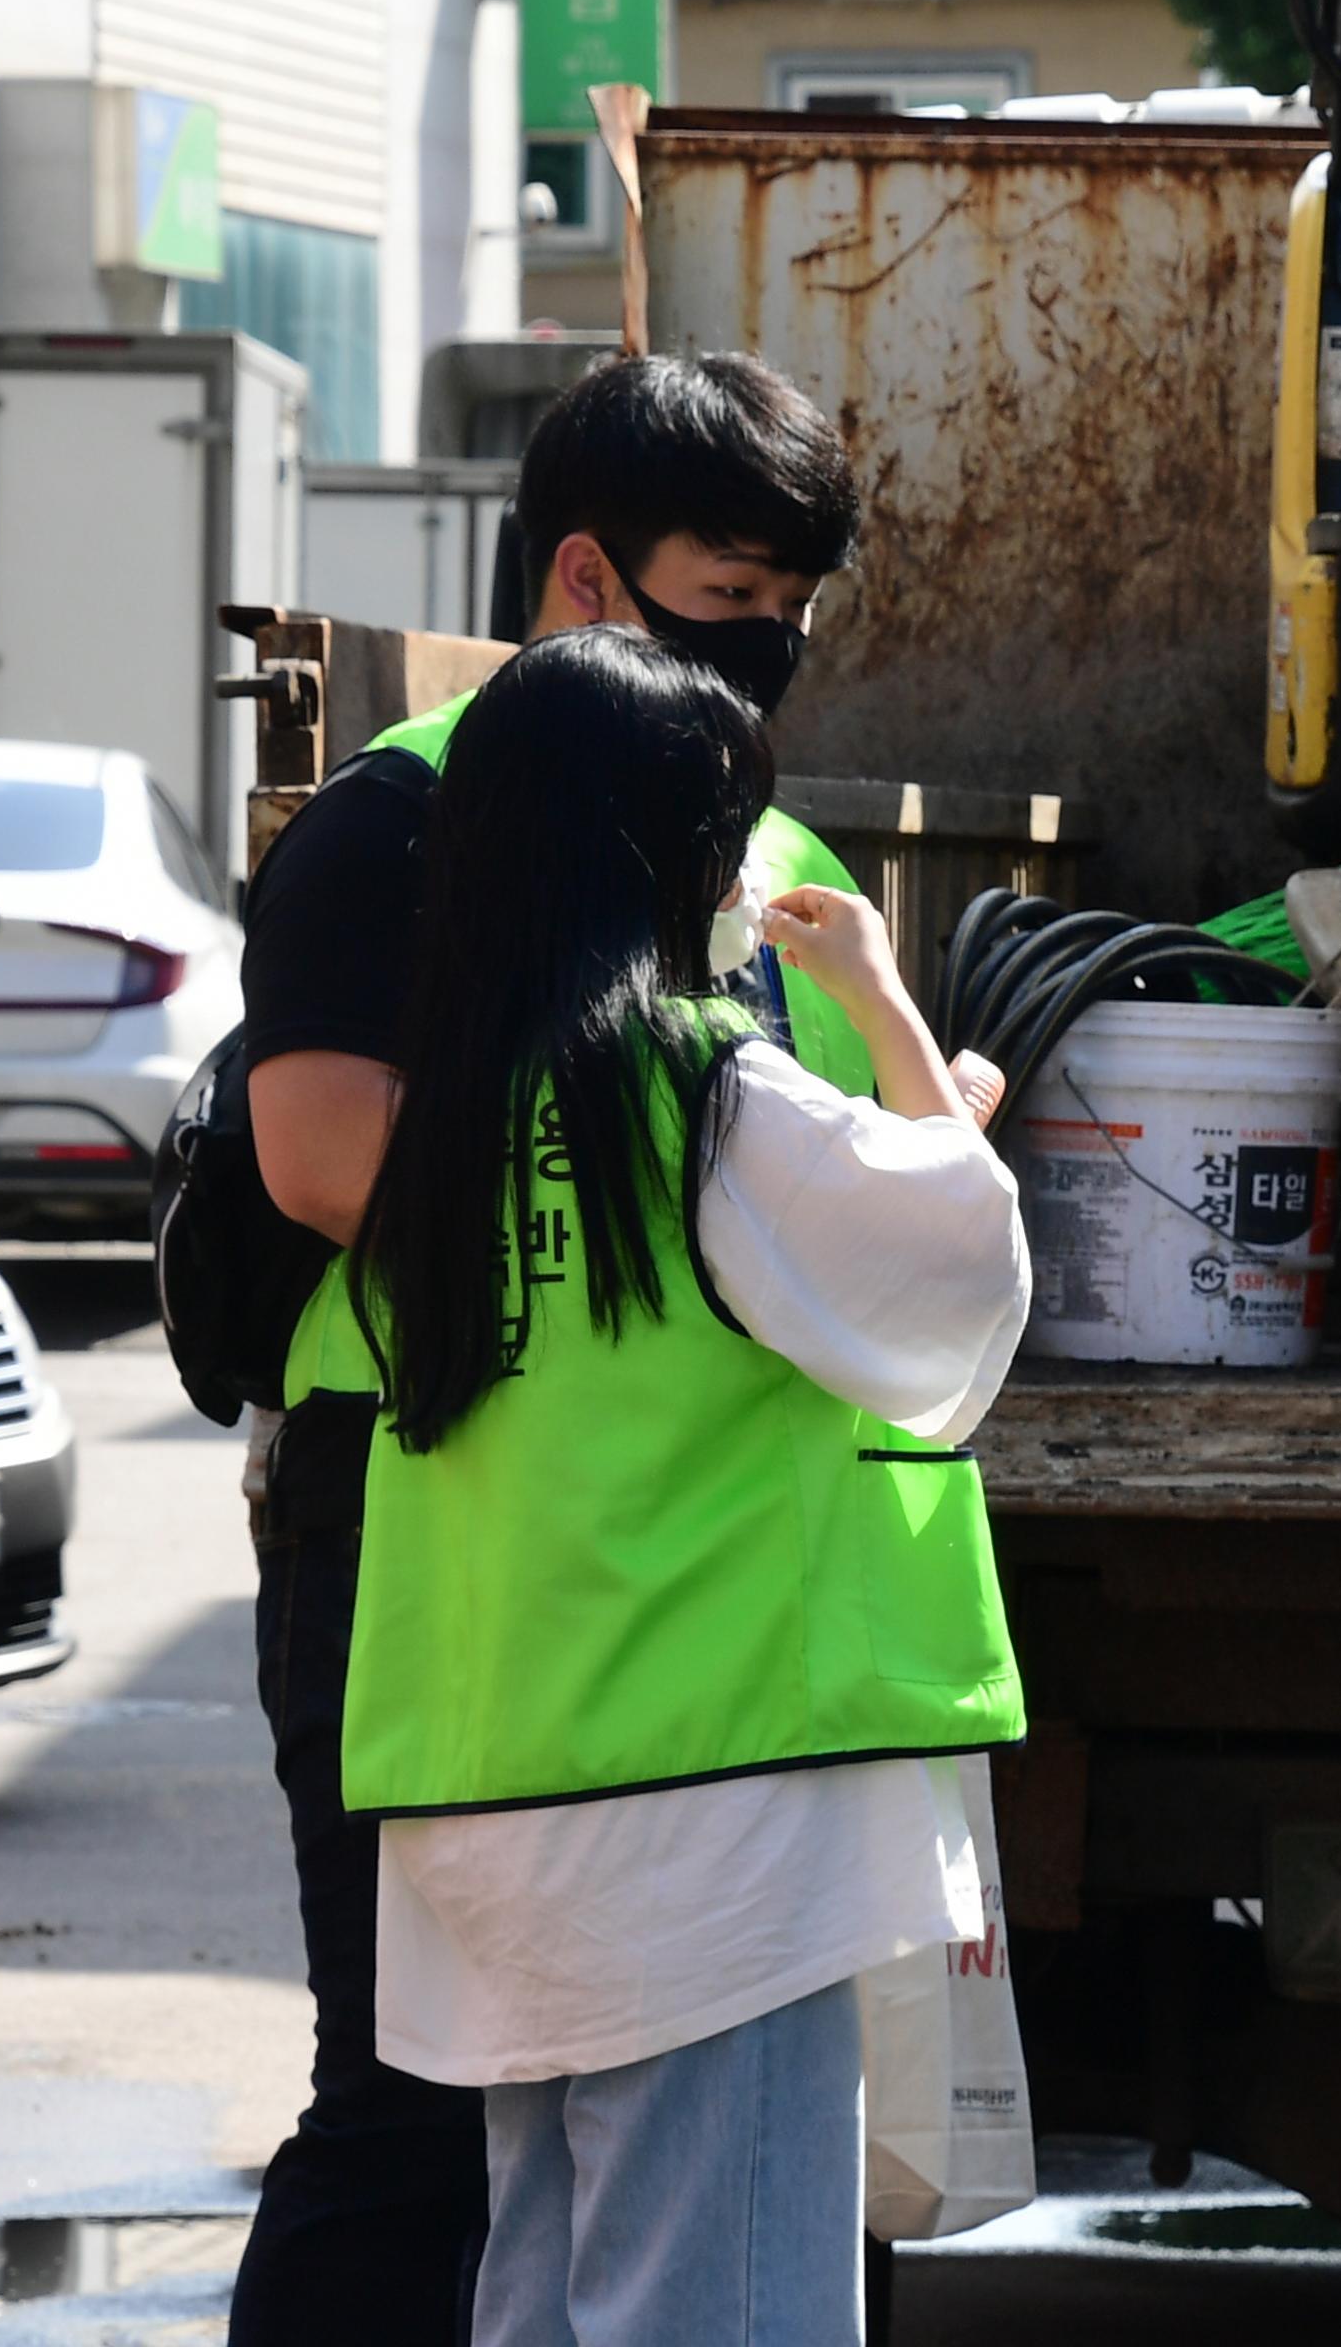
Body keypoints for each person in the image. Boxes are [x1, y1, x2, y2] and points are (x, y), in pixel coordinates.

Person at [231, 351, 868, 2346]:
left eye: (795, 610)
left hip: (668, 1592)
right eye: (734, 594)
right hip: (409, 1509)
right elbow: (328, 1156)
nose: (770, 648)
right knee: (409, 2111)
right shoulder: (398, 825)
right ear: (587, 577)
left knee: (579, 2149)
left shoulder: (762, 852)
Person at [337, 629, 1028, 2344]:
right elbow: (960, 1262)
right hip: (707, 1822)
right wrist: (885, 1007)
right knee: (718, 2308)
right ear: (677, 857)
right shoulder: (708, 1094)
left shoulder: (444, 1125)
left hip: (490, 1803)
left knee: (550, 2298)